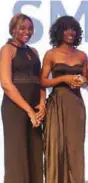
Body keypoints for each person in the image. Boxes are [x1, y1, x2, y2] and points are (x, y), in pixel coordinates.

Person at [41, 15, 88, 183]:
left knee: (75, 149)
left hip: (76, 104)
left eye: (74, 29)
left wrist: (81, 81)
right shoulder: (51, 54)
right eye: (67, 29)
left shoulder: (82, 55)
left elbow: (86, 80)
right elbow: (43, 81)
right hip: (57, 103)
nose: (71, 32)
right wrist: (63, 79)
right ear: (59, 32)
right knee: (56, 148)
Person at [0, 13, 45, 183]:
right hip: (15, 108)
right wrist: (29, 111)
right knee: (17, 153)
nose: (27, 31)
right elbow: (6, 84)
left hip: (34, 108)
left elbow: (40, 80)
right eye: (23, 28)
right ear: (13, 29)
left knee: (35, 151)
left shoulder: (33, 51)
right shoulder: (7, 50)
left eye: (30, 28)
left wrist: (42, 104)